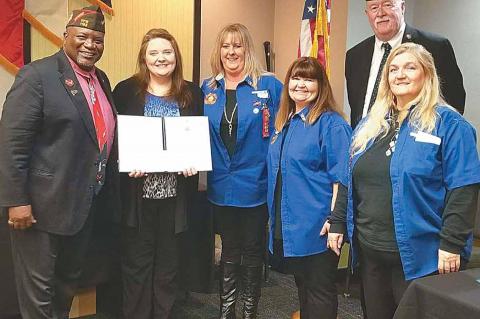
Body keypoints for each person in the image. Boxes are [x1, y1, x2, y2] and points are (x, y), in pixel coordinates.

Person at [329, 42, 480, 319]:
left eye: (410, 67)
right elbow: (347, 179)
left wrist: (452, 244)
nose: (400, 74)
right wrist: (338, 221)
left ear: (427, 74)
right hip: (371, 252)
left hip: (421, 257)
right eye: (393, 69)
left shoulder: (450, 125)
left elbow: (464, 189)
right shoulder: (369, 125)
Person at [0, 6, 117, 319]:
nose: (90, 44)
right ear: (66, 36)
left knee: (65, 289)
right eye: (82, 36)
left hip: (81, 208)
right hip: (39, 210)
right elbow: (12, 144)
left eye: (98, 39)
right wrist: (16, 202)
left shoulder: (101, 79)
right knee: (38, 298)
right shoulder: (37, 75)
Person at [112, 28, 202, 319]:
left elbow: (198, 139)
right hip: (138, 195)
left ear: (176, 56)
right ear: (144, 58)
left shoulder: (191, 93)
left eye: (167, 52)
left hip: (175, 196)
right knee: (136, 266)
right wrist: (126, 162)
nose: (161, 58)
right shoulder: (126, 91)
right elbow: (113, 141)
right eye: (154, 53)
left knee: (168, 266)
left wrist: (193, 163)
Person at [202, 23, 282, 319]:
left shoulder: (269, 85)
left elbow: (286, 125)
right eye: (226, 46)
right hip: (221, 183)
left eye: (238, 45)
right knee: (228, 249)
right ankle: (226, 312)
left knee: (251, 252)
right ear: (219, 51)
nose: (232, 51)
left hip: (255, 184)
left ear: (247, 49)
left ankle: (249, 312)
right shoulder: (207, 88)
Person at [266, 57, 351, 319]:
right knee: (303, 287)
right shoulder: (286, 122)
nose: (300, 84)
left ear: (321, 85)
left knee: (319, 291)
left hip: (319, 226)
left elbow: (343, 178)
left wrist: (336, 221)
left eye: (309, 79)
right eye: (296, 78)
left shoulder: (332, 124)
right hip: (292, 224)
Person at [346, 0, 465, 129]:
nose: (380, 13)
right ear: (367, 13)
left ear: (402, 7)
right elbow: (357, 108)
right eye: (374, 7)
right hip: (365, 141)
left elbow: (454, 101)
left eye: (387, 5)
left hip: (417, 142)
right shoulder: (354, 56)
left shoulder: (435, 47)